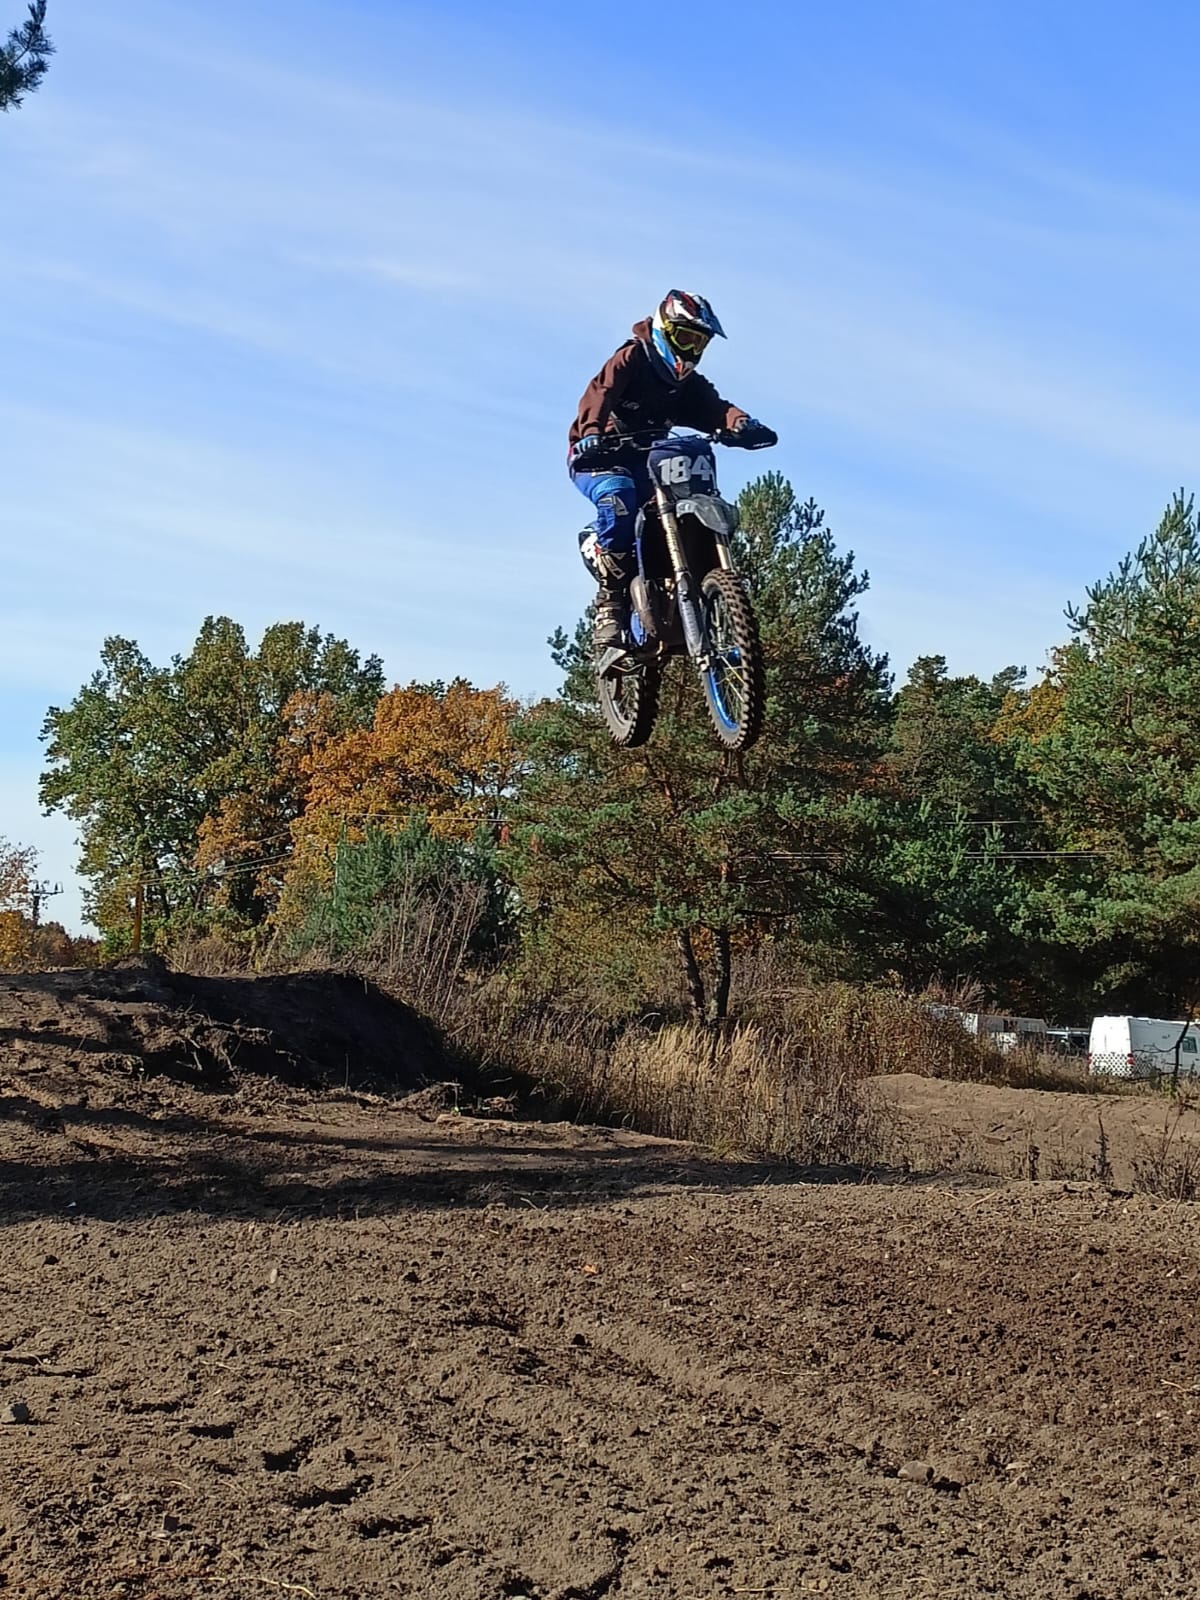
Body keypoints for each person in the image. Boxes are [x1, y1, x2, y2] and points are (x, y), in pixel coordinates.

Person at [568, 290, 777, 648]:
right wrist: (591, 432)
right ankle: (610, 604)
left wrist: (741, 424)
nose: (691, 349)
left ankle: (677, 592)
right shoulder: (632, 358)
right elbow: (601, 391)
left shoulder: (686, 385)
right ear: (664, 331)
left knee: (673, 504)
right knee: (620, 497)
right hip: (600, 456)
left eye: (699, 342)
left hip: (648, 461)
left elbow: (714, 407)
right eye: (685, 337)